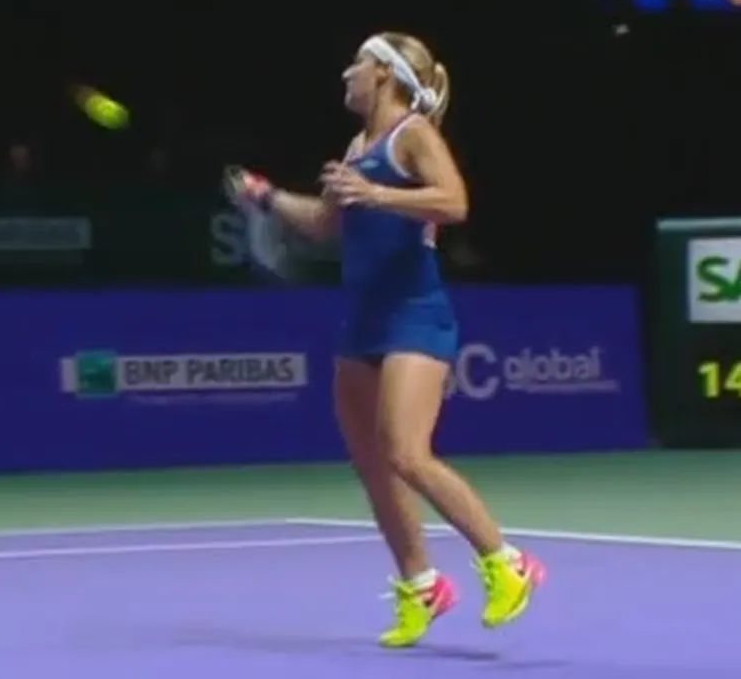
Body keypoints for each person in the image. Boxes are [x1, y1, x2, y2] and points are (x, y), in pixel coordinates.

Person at [226, 32, 545, 647]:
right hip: (363, 319)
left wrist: (377, 193)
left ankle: (507, 563)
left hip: (415, 313)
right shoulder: (356, 147)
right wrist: (268, 198)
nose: (347, 73)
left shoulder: (413, 135)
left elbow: (454, 201)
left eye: (358, 63)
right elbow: (324, 224)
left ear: (385, 75)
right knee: (373, 464)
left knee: (407, 453)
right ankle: (420, 585)